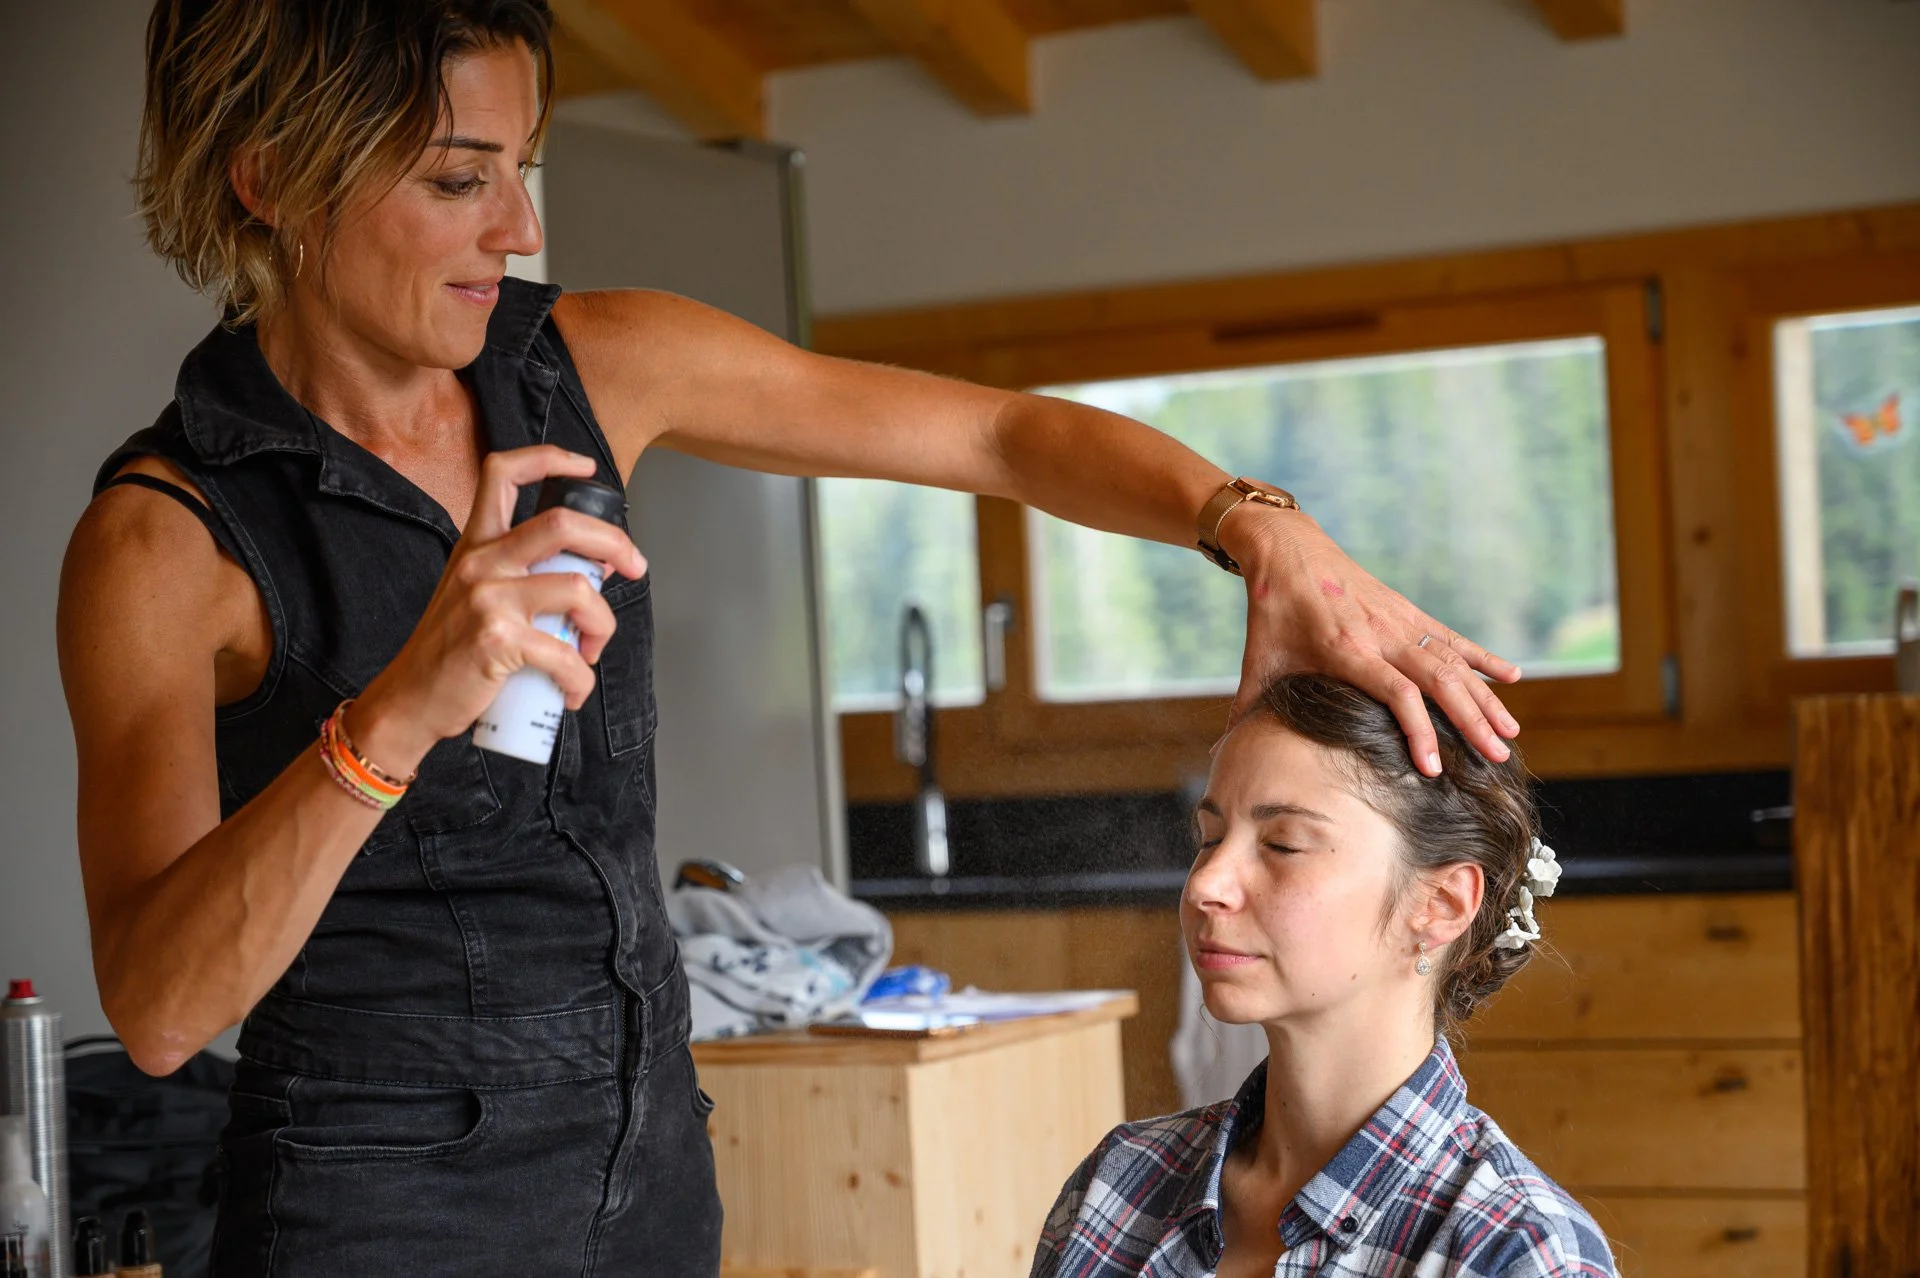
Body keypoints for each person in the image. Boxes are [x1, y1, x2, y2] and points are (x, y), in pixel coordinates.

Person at [58, 1, 1522, 1272]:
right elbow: (166, 1007)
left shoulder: (591, 362)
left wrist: (1254, 523)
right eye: (459, 179)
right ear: (270, 180)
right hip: (370, 1221)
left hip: (649, 1191)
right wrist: (395, 712)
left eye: (525, 170)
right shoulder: (166, 537)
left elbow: (1002, 437)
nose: (520, 230)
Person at [1031, 675, 1615, 1278]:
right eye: (1209, 839)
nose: (1204, 885)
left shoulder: (1521, 1254)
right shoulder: (1115, 1185)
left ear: (1440, 904)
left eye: (1282, 845)